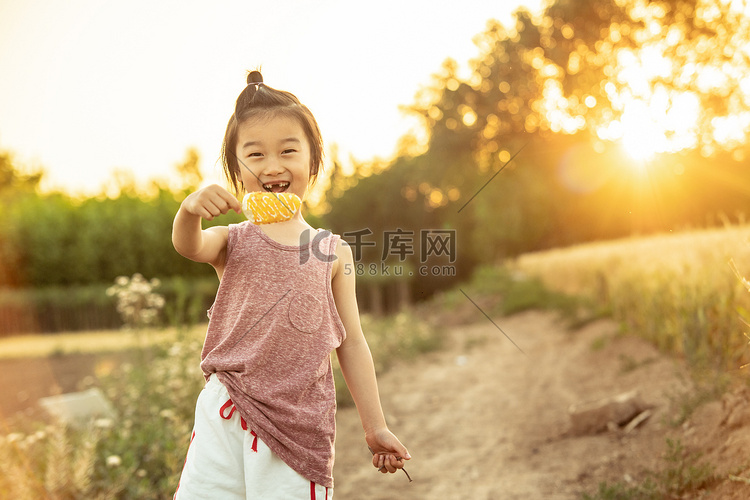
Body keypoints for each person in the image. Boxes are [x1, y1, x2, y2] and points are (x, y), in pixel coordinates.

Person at [171, 70, 410, 499]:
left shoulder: (332, 252)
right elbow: (190, 246)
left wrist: (376, 426)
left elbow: (351, 343)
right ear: (235, 168)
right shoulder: (233, 239)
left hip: (297, 428)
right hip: (226, 409)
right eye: (255, 154)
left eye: (288, 151)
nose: (273, 165)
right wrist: (189, 211)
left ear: (312, 161)